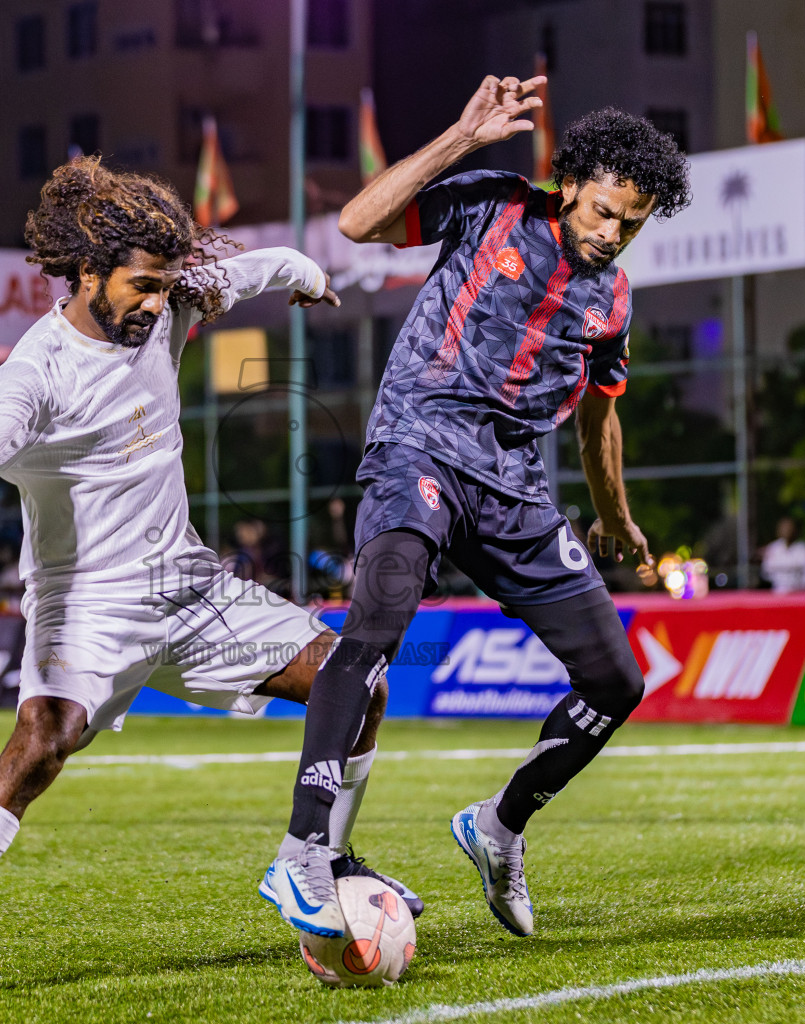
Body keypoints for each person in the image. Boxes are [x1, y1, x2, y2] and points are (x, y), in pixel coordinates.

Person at [0, 158, 417, 1010]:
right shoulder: (40, 369)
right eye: (139, 285)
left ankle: (321, 858)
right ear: (87, 274)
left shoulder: (168, 306)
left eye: (163, 286)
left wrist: (306, 273)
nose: (152, 302)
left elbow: (251, 269)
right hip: (86, 602)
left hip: (189, 583)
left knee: (356, 682)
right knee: (39, 747)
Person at [261, 79, 690, 939]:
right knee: (375, 625)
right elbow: (356, 223)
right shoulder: (493, 207)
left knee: (617, 679)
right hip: (418, 446)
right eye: (605, 211)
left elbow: (601, 416)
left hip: (514, 493)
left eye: (631, 224)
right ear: (571, 184)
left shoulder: (615, 299)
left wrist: (614, 515)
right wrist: (462, 135)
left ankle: (497, 827)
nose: (612, 235)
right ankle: (303, 852)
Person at [760, 516, 805, 593]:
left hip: (801, 594)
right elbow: (766, 571)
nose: (787, 530)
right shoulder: (773, 548)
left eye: (789, 528)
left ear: (795, 530)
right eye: (784, 528)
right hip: (779, 594)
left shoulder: (803, 549)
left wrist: (801, 586)